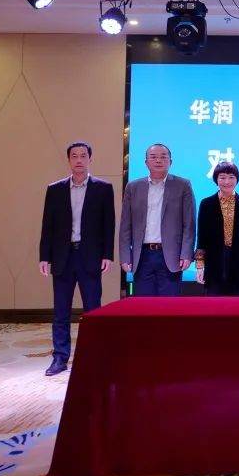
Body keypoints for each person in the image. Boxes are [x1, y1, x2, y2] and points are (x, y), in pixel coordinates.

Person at [38, 142, 115, 376]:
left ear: (90, 159)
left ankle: (95, 357)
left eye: (83, 155)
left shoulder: (103, 188)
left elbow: (108, 225)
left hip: (90, 256)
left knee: (93, 311)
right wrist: (44, 256)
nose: (79, 160)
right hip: (63, 257)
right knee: (61, 311)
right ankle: (60, 358)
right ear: (69, 160)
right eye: (74, 156)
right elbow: (48, 226)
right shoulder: (55, 189)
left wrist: (107, 255)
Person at [118, 143, 196, 296]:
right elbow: (125, 225)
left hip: (171, 256)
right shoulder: (133, 187)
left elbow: (189, 224)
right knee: (143, 304)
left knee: (169, 305)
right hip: (142, 255)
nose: (158, 160)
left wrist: (186, 254)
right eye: (153, 157)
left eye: (163, 157)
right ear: (146, 162)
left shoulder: (183, 185)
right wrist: (125, 255)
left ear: (170, 162)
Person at [194, 161, 239, 295]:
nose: (227, 182)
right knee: (214, 302)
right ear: (216, 180)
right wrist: (199, 267)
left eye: (231, 177)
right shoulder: (206, 204)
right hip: (214, 260)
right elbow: (202, 237)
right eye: (222, 177)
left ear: (237, 179)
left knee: (238, 302)